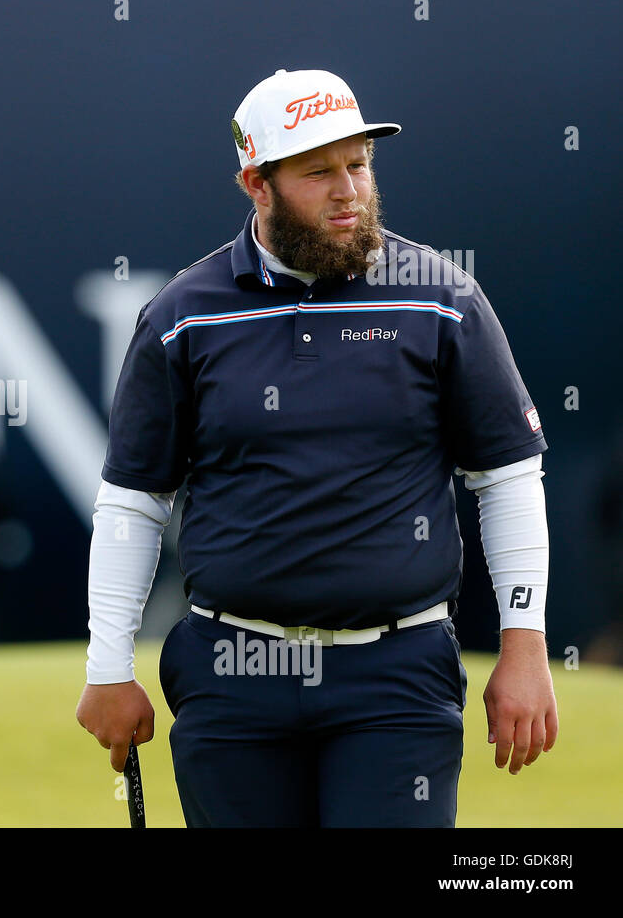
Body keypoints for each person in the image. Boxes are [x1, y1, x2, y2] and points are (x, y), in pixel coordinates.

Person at [76, 69, 556, 827]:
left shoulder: (440, 296)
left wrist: (524, 646)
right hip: (232, 673)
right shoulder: (183, 314)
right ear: (256, 184)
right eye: (318, 171)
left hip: (397, 674)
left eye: (359, 163)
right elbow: (134, 501)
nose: (348, 190)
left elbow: (507, 477)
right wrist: (108, 668)